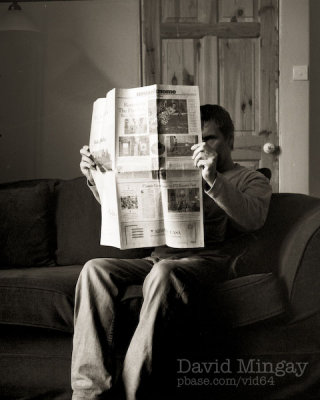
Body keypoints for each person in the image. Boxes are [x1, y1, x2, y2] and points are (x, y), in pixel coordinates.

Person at [72, 104, 272, 400]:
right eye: (195, 141)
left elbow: (253, 218)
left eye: (210, 139)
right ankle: (89, 394)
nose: (200, 148)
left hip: (209, 260)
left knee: (162, 273)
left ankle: (132, 393)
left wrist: (213, 179)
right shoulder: (169, 172)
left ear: (230, 141)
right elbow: (126, 210)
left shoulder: (251, 179)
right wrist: (95, 177)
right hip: (158, 258)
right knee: (94, 269)